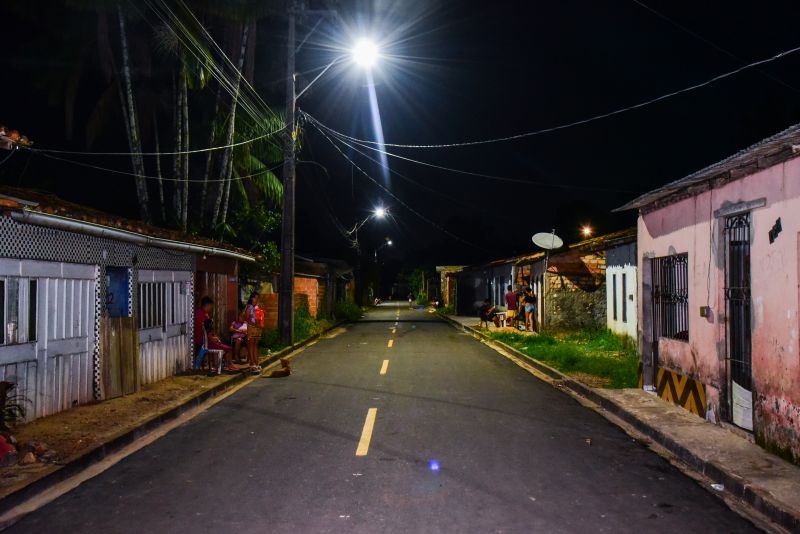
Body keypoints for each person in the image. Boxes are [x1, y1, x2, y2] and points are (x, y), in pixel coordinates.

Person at [242, 292, 264, 373]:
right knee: (251, 346)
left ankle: (256, 362)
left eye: (257, 298)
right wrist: (254, 324)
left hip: (256, 328)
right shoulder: (249, 307)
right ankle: (252, 364)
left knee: (255, 346)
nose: (256, 300)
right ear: (252, 298)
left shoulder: (254, 307)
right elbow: (246, 318)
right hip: (251, 328)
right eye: (255, 298)